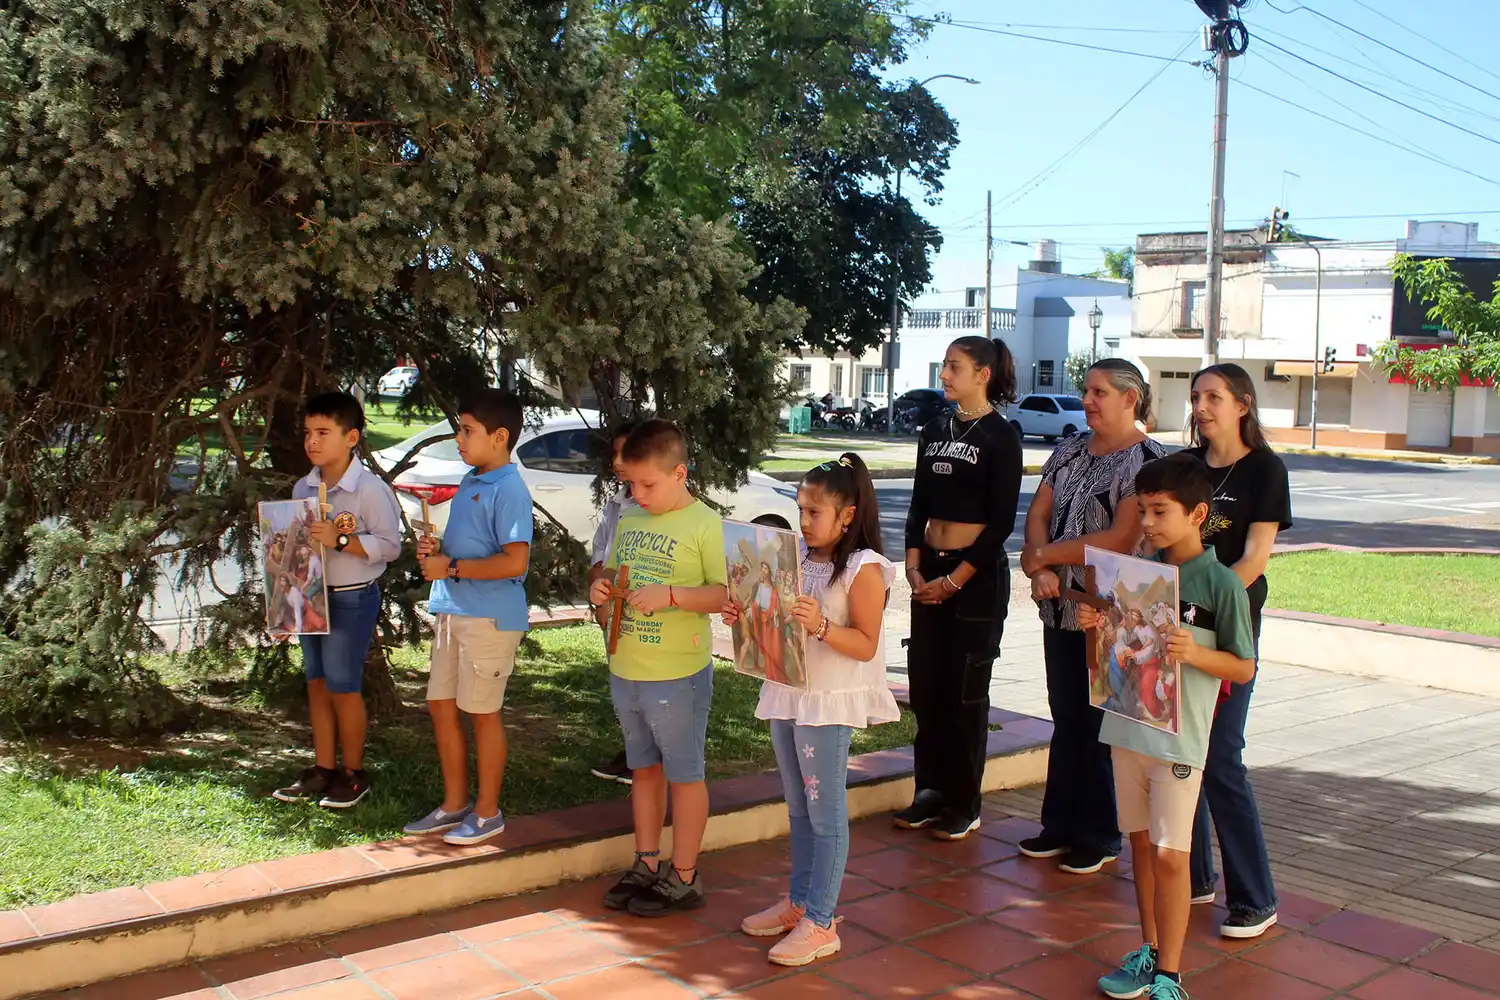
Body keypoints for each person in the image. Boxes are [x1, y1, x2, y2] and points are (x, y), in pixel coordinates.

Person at [1082, 454, 1256, 1000]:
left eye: (1160, 511)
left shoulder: (1220, 585)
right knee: (1140, 845)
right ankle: (1150, 951)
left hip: (1181, 741)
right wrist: (1097, 628)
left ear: (1198, 513)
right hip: (1128, 729)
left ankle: (1171, 975)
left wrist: (1195, 653)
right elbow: (1108, 661)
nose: (1149, 522)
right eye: (1142, 510)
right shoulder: (1134, 575)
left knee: (1170, 852)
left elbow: (1244, 665)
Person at [729, 454, 901, 967]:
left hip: (827, 701)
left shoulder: (865, 567)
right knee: (798, 806)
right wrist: (744, 607)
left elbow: (866, 644)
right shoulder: (797, 557)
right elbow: (774, 615)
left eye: (814, 512)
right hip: (788, 689)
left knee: (825, 813)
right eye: (800, 509)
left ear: (847, 515)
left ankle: (822, 920)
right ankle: (799, 902)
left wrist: (822, 625)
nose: (803, 521)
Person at [1019, 358, 1167, 874]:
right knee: (1066, 717)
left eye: (1100, 391)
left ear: (1130, 399)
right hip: (1058, 607)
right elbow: (1038, 513)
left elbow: (1122, 538)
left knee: (1100, 720)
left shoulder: (1147, 461)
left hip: (1109, 614)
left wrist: (1046, 557)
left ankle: (1100, 834)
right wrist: (1038, 566)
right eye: (1086, 389)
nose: (1088, 400)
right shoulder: (1067, 451)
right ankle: (1057, 824)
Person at [588, 419, 728, 916]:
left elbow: (725, 592)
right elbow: (610, 570)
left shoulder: (704, 523)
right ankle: (646, 862)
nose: (637, 492)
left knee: (684, 774)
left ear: (679, 473)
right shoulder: (630, 519)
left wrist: (672, 595)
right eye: (631, 483)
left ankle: (684, 874)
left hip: (677, 672)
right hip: (628, 666)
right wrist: (600, 588)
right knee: (643, 771)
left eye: (647, 484)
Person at [895, 336, 1024, 841]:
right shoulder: (934, 429)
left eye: (955, 366)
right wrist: (914, 570)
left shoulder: (1000, 436)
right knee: (927, 691)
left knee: (964, 695)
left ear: (983, 373)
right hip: (929, 574)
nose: (945, 375)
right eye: (945, 365)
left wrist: (954, 580)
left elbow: (999, 525)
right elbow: (917, 505)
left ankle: (963, 803)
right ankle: (928, 792)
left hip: (974, 582)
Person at [1183, 362, 1292, 939]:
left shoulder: (1266, 471)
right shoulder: (1187, 468)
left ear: (1243, 405)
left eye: (1214, 398)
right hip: (1179, 626)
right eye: (1197, 397)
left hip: (1230, 629)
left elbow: (1253, 559)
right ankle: (1195, 877)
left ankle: (1255, 897)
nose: (1201, 408)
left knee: (1222, 757)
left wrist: (1205, 599)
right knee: (1185, 752)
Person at [404, 390, 533, 846]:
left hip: (489, 619)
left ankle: (487, 812)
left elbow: (515, 562)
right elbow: (470, 549)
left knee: (482, 713)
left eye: (467, 430)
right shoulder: (472, 480)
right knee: (441, 705)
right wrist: (438, 554)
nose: (458, 439)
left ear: (499, 437)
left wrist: (452, 568)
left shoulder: (510, 490)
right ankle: (454, 803)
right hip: (453, 612)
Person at [273, 391, 402, 809]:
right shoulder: (303, 485)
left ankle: (353, 773)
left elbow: (391, 546)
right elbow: (293, 551)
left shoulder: (368, 489)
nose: (312, 441)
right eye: (308, 432)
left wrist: (342, 539)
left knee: (344, 686)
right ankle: (323, 768)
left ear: (351, 438)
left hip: (351, 598)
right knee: (316, 684)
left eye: (323, 432)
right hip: (312, 597)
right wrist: (285, 607)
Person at [589, 420, 639, 787]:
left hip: (641, 613)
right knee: (622, 687)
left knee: (643, 688)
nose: (617, 461)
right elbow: (600, 552)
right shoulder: (616, 504)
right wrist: (599, 593)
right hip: (610, 608)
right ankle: (631, 750)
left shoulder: (658, 509)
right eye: (615, 452)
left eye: (627, 453)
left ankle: (645, 759)